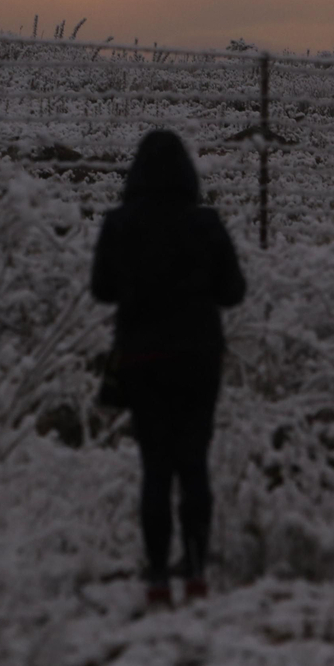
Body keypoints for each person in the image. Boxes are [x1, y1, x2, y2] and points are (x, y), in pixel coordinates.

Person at [91, 129, 246, 607]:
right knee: (194, 462)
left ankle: (157, 577)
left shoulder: (120, 224)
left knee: (155, 467)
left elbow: (102, 290)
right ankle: (196, 572)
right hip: (198, 357)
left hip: (142, 359)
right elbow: (232, 292)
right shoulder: (206, 224)